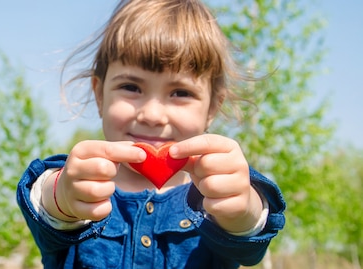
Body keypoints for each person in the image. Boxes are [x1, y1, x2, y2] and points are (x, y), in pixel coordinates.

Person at [16, 0, 286, 268]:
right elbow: (42, 204)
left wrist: (244, 210)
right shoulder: (78, 193)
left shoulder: (215, 200)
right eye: (132, 87)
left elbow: (251, 244)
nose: (153, 115)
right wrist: (62, 196)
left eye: (181, 93)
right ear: (100, 94)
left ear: (213, 107)